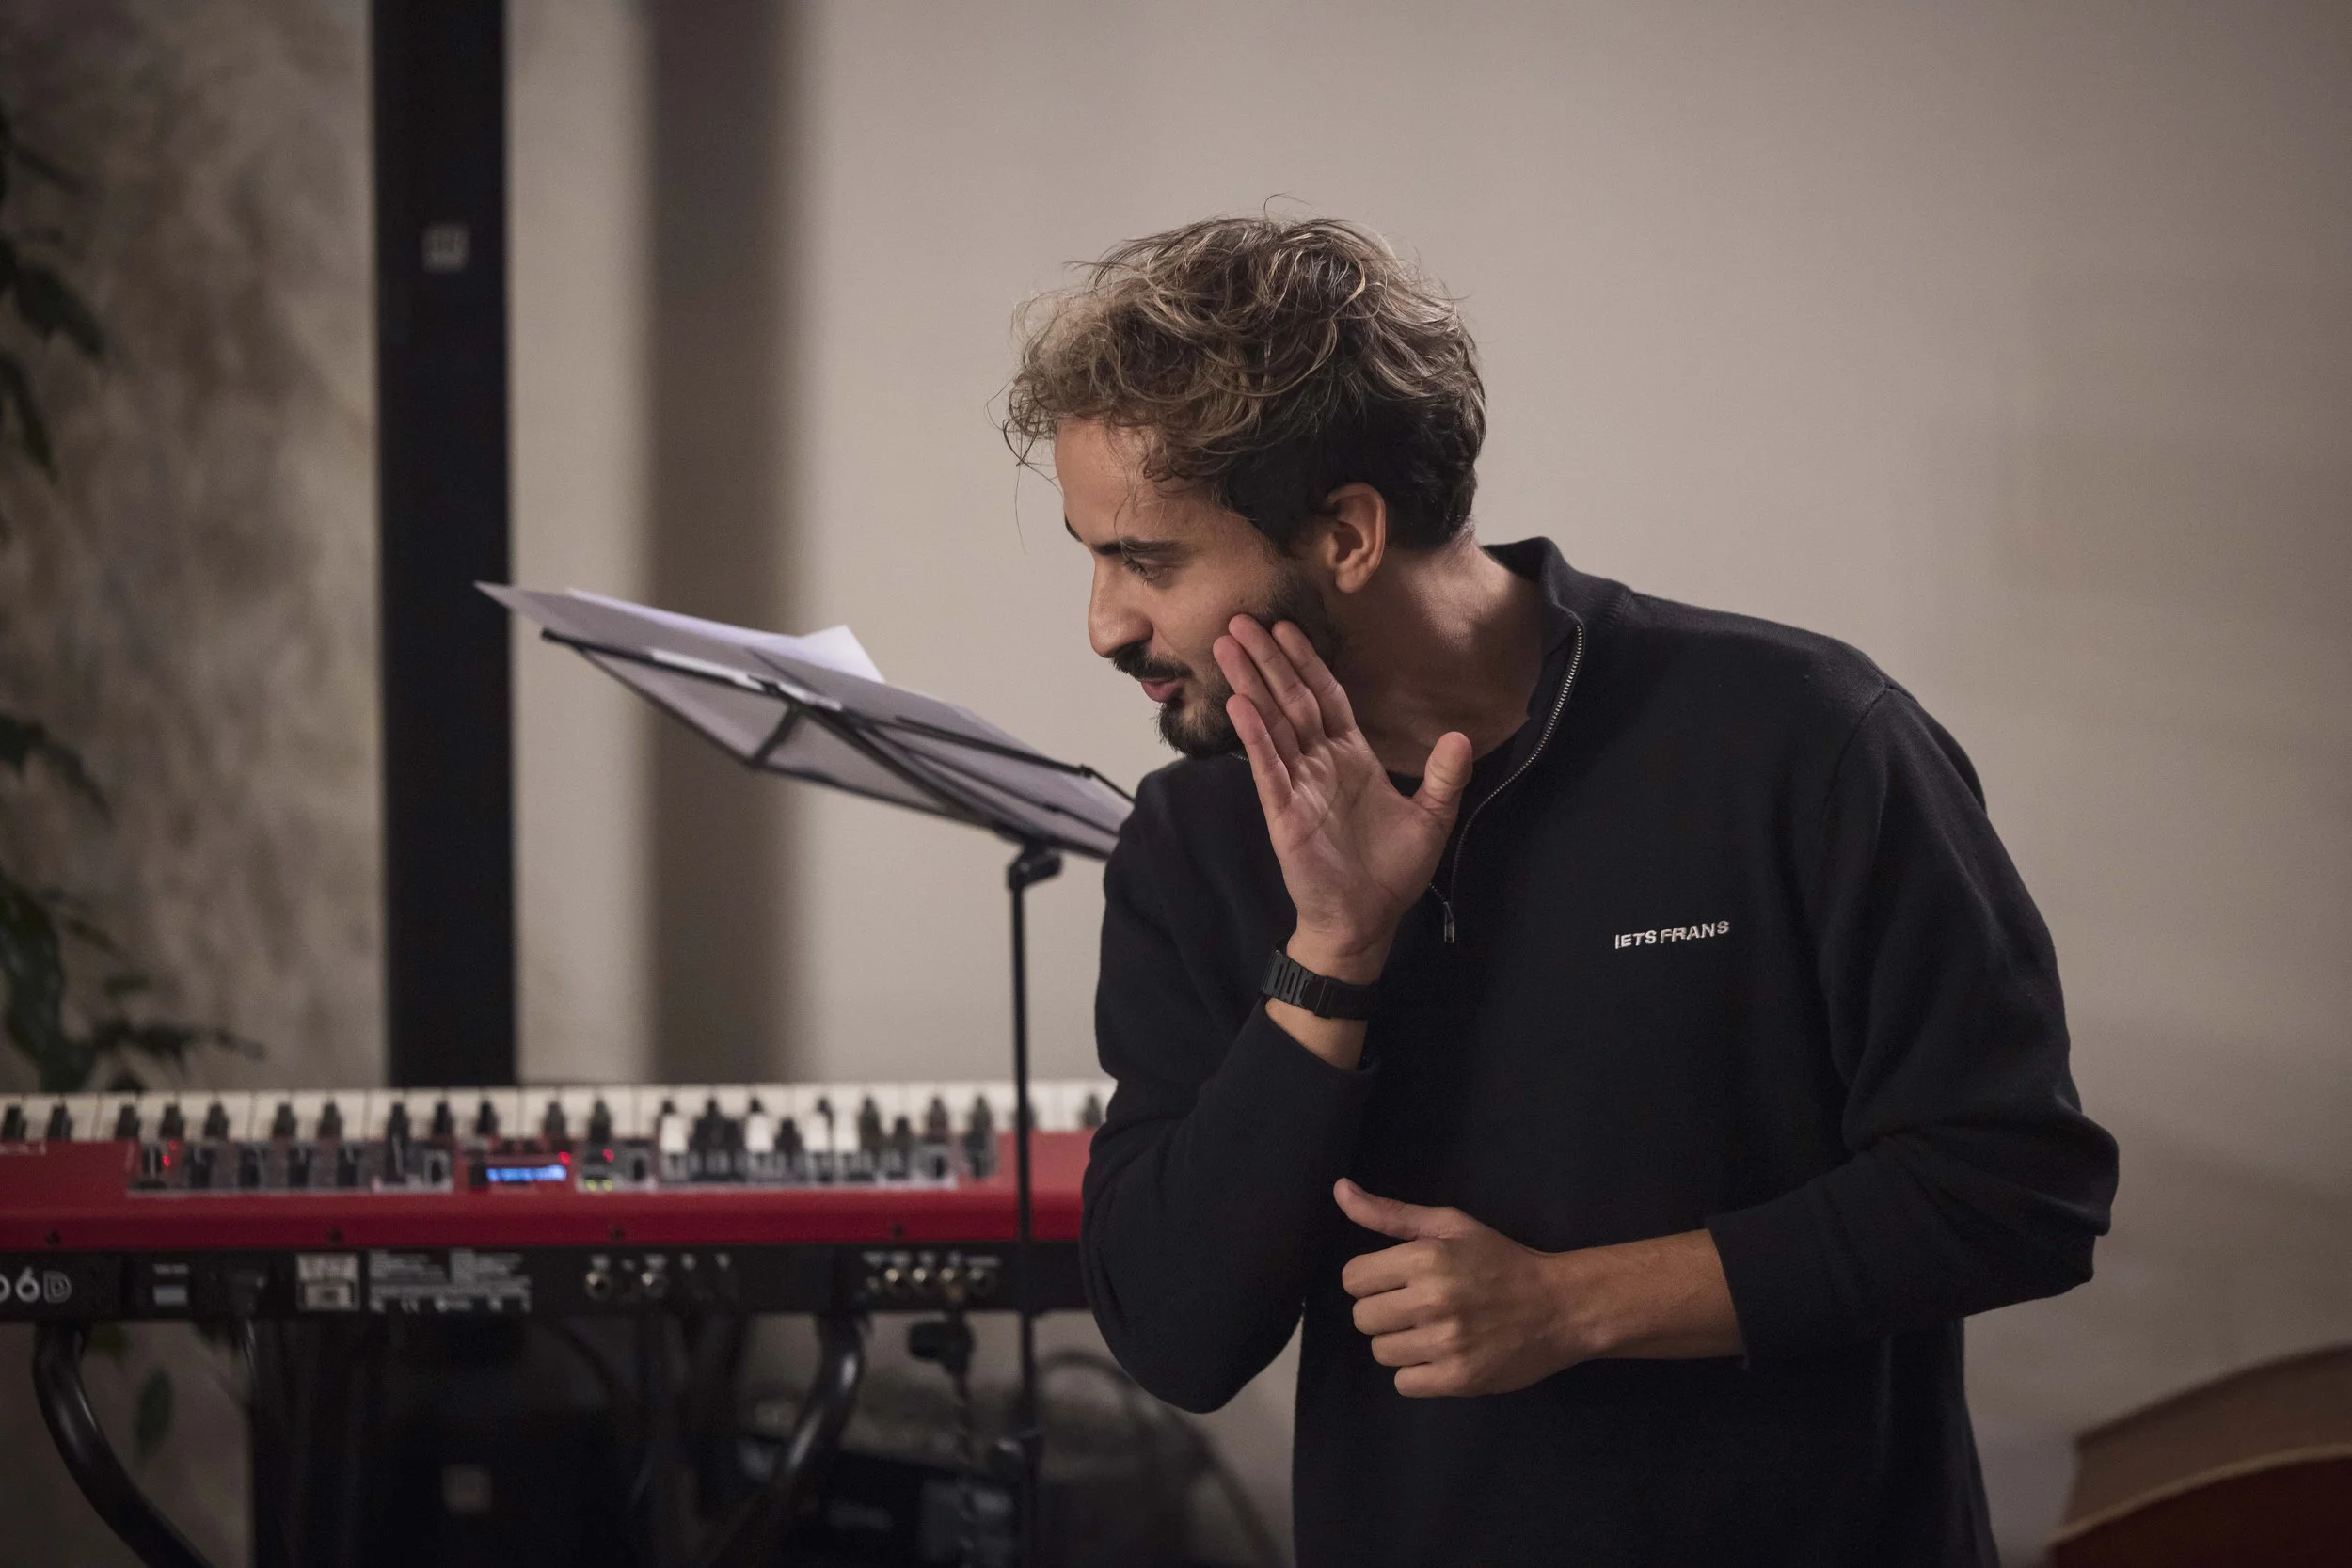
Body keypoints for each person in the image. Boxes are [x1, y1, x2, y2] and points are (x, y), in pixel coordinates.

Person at [1002, 214, 2118, 1567]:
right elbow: (1176, 1333)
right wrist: (1334, 949)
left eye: (1147, 559)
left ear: (1348, 533)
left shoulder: (1802, 736)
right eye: (1094, 556)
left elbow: (2019, 1186)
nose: (1105, 624)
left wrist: (1574, 1304)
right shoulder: (1194, 834)